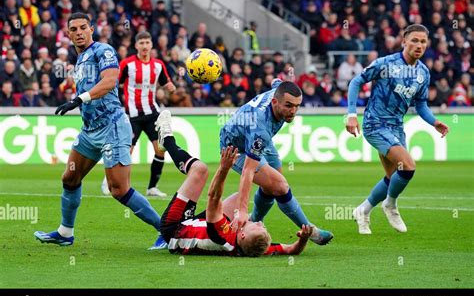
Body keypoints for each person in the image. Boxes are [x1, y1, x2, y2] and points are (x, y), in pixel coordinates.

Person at [34, 13, 164, 249]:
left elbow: (111, 80)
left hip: (112, 126)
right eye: (74, 29)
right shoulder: (81, 59)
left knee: (118, 189)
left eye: (84, 27)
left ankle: (166, 230)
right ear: (68, 34)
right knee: (70, 178)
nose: (79, 32)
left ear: (91, 29)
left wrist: (79, 99)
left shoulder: (102, 50)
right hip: (90, 130)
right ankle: (65, 233)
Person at [156, 110, 314, 256]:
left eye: (258, 226)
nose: (259, 222)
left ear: (243, 235)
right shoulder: (254, 246)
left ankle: (167, 140)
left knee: (200, 170)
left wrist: (224, 168)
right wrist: (303, 239)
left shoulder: (222, 235)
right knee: (239, 199)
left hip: (174, 228)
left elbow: (213, 197)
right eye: (263, 226)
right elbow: (291, 250)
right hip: (200, 224)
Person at [346, 24, 450, 234]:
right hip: (375, 124)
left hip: (396, 127)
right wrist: (351, 114)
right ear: (404, 41)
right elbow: (356, 81)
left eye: (423, 41)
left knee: (393, 176)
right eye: (414, 40)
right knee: (409, 166)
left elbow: (420, 105)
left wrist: (434, 121)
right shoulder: (386, 63)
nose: (419, 45)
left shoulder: (423, 73)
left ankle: (363, 210)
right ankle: (390, 205)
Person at [219, 79, 333, 245]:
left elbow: (276, 82)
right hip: (236, 148)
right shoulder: (259, 126)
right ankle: (311, 231)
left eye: (297, 106)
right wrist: (242, 210)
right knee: (280, 186)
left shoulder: (278, 92)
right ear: (274, 102)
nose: (293, 111)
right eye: (288, 106)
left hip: (258, 139)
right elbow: (248, 171)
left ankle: (255, 220)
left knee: (274, 185)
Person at [101, 31, 176, 199]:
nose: (144, 46)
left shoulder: (158, 65)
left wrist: (171, 86)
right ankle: (108, 181)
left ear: (151, 45)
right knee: (127, 151)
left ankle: (152, 187)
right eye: (141, 43)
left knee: (160, 149)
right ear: (136, 46)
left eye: (147, 43)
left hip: (151, 113)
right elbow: (115, 82)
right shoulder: (128, 64)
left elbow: (166, 82)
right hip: (132, 115)